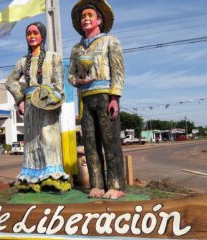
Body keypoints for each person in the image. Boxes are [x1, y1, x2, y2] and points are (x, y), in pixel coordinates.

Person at [68, 0, 125, 199]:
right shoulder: (76, 49)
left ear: (99, 19)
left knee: (110, 142)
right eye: (83, 17)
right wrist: (78, 80)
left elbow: (118, 72)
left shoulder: (111, 41)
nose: (86, 19)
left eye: (90, 15)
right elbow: (70, 75)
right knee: (90, 144)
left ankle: (116, 184)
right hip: (85, 99)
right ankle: (97, 184)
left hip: (104, 95)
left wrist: (114, 98)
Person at [6, 22, 70, 192]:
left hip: (48, 104)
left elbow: (59, 84)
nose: (32, 36)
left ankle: (52, 177)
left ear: (42, 35)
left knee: (49, 138)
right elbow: (10, 82)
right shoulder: (22, 62)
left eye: (35, 32)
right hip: (29, 107)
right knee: (32, 141)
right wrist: (20, 100)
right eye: (29, 33)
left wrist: (53, 99)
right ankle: (32, 178)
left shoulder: (54, 57)